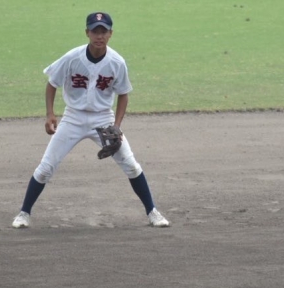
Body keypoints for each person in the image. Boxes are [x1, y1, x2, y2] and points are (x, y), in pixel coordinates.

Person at [12, 12, 170, 229]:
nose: (99, 36)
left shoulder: (117, 62)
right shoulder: (72, 58)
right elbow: (52, 83)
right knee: (46, 168)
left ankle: (152, 212)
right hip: (73, 118)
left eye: (104, 31)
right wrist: (50, 114)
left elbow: (123, 94)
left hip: (103, 119)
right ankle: (24, 213)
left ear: (110, 34)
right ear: (87, 32)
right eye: (95, 31)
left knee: (131, 166)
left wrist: (116, 126)